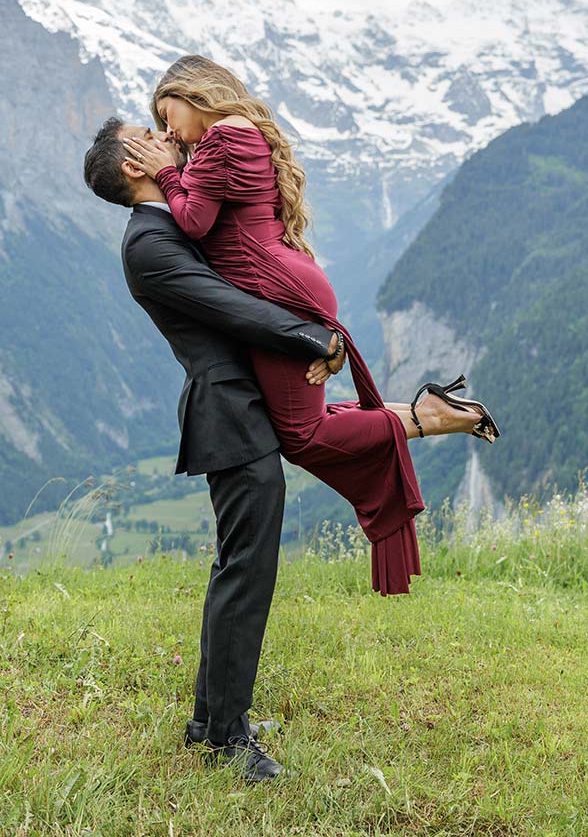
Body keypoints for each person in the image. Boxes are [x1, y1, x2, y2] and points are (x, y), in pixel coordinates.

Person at [122, 55, 500, 597]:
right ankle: (421, 412)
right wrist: (178, 165)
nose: (165, 128)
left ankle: (428, 418)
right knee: (305, 421)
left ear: (195, 93)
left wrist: (163, 172)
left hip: (280, 293)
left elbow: (194, 221)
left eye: (167, 112)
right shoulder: (234, 136)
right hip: (286, 283)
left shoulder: (222, 140)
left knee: (302, 436)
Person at [83, 117, 346, 782]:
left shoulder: (169, 222)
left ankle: (211, 722)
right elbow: (229, 306)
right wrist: (314, 337)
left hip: (241, 404)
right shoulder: (147, 243)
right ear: (132, 165)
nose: (162, 133)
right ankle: (227, 739)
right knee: (246, 573)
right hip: (228, 411)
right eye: (147, 132)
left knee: (240, 569)